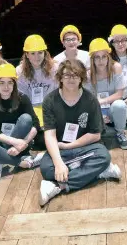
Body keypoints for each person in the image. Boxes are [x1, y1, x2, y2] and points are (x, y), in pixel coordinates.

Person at [39, 59, 121, 206]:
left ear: (82, 78)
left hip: (85, 147)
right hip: (60, 148)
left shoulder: (90, 100)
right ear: (60, 78)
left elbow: (95, 135)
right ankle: (97, 173)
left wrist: (70, 146)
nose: (71, 79)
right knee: (47, 169)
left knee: (103, 156)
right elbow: (49, 135)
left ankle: (58, 186)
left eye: (75, 75)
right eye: (67, 75)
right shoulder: (50, 100)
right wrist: (58, 162)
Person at [0, 63, 44, 183]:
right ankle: (22, 161)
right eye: (2, 82)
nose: (6, 87)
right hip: (3, 141)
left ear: (14, 84)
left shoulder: (23, 98)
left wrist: (23, 143)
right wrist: (15, 142)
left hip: (20, 141)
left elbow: (36, 123)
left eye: (10, 82)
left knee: (26, 118)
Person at [83, 38, 127, 149]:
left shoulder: (116, 68)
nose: (101, 60)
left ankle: (120, 132)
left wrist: (103, 102)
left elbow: (119, 94)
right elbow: (88, 99)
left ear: (108, 57)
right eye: (97, 57)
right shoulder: (88, 74)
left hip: (112, 108)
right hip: (96, 110)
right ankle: (99, 132)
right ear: (92, 59)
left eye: (104, 56)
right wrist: (100, 113)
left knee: (120, 105)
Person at [15, 34, 59, 124]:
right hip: (30, 111)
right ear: (27, 55)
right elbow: (22, 99)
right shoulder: (19, 71)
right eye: (33, 53)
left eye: (40, 52)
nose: (37, 57)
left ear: (45, 53)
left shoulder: (55, 68)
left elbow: (58, 93)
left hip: (52, 109)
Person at [109, 24, 127, 94]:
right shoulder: (108, 61)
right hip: (113, 100)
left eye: (123, 40)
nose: (120, 44)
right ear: (112, 44)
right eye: (116, 41)